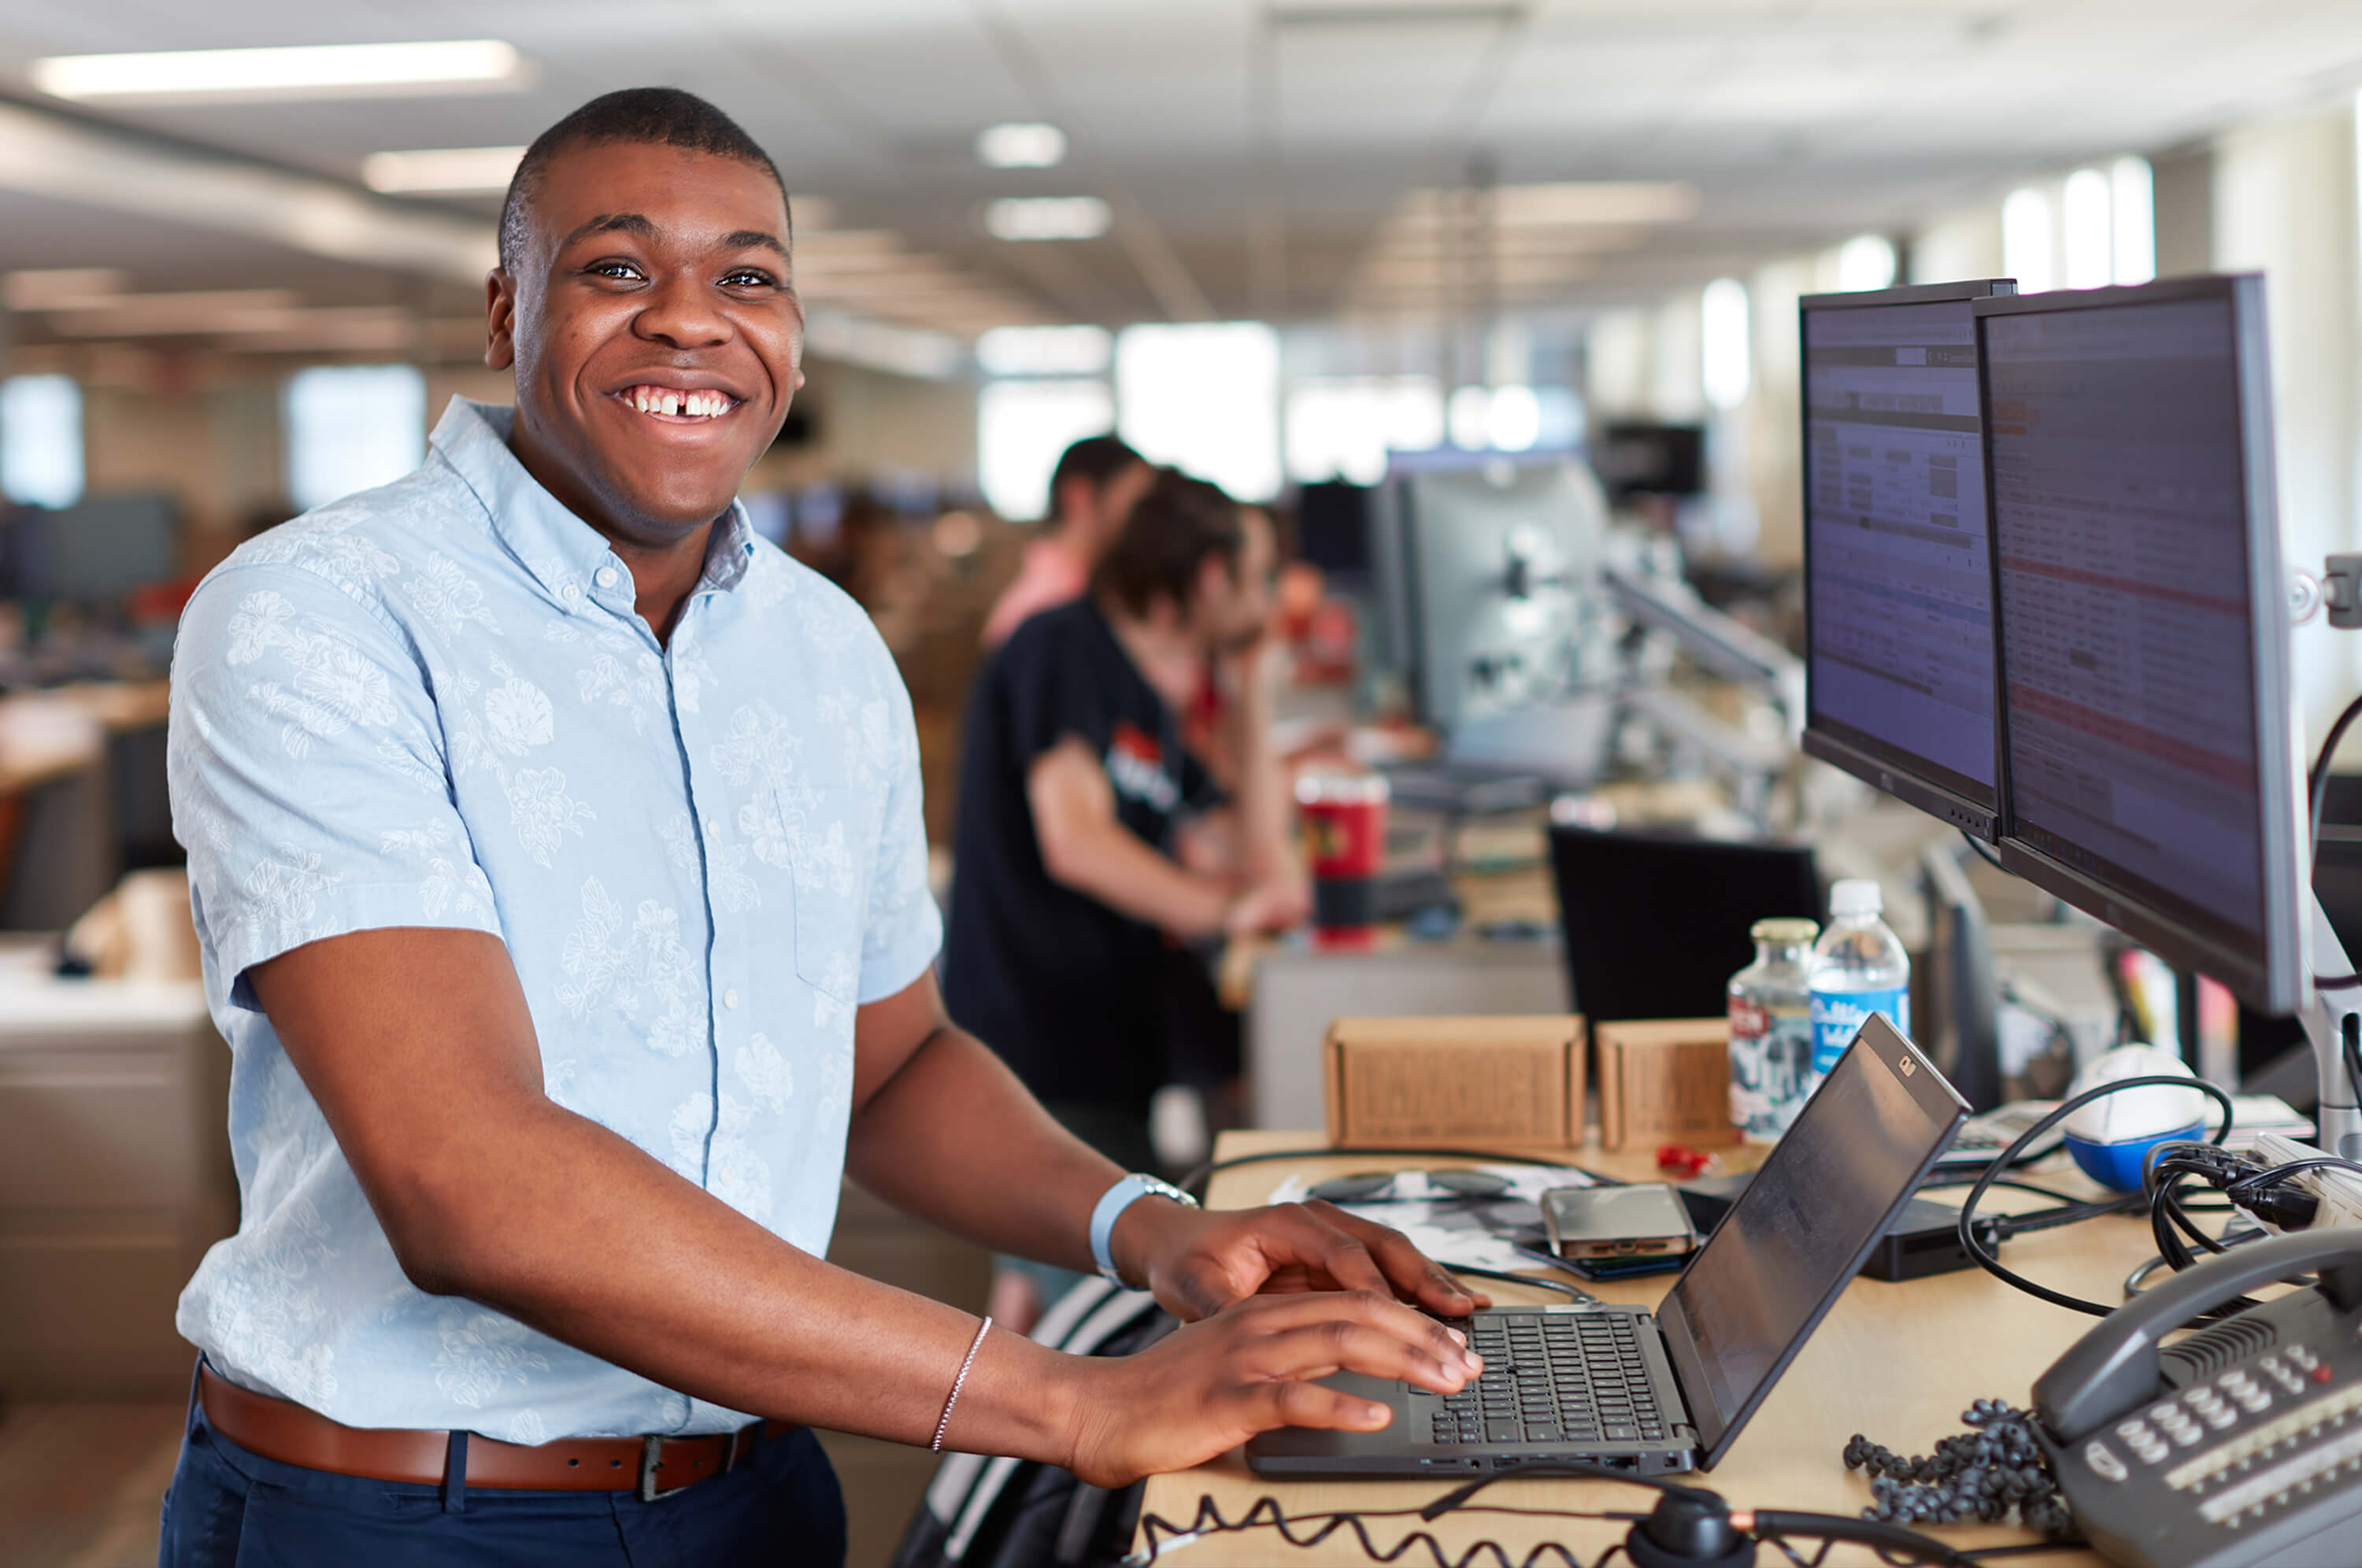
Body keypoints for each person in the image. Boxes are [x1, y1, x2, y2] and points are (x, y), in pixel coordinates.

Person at [156, 87, 1485, 1567]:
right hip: (415, 1513)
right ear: (502, 308)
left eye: (748, 276)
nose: (689, 321)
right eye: (614, 268)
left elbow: (893, 1064)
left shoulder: (823, 650)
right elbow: (469, 1183)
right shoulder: (322, 613)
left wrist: (1152, 1230)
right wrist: (1072, 1401)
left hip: (758, 1489)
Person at [942, 469, 1312, 1329]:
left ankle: (988, 1465)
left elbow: (1256, 860)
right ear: (1212, 578)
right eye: (1256, 579)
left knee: (1052, 1302)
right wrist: (1219, 912)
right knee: (1120, 1315)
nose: (1265, 605)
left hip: (1100, 1052)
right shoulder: (1060, 651)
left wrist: (1255, 692)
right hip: (1032, 1054)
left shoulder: (1142, 696)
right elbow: (1075, 839)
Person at [979, 434, 1153, 649]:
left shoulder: (1093, 591)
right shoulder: (1048, 609)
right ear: (1079, 497)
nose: (1147, 519)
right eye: (1135, 503)